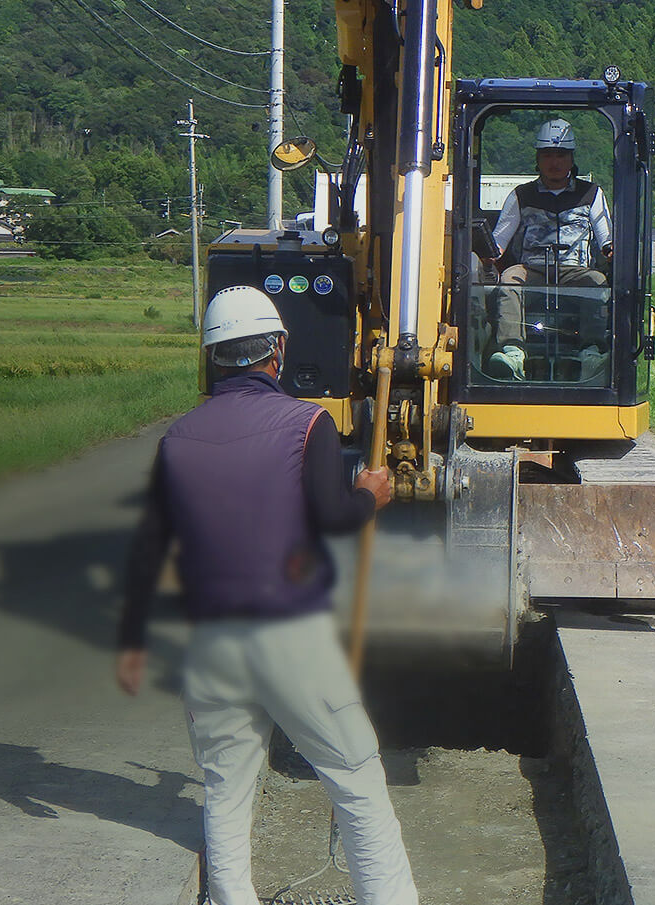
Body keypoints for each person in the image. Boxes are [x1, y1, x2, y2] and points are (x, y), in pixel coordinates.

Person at [115, 285, 418, 905]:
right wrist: (371, 496)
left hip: (211, 645)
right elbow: (333, 518)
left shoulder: (177, 438)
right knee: (356, 777)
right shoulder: (308, 423)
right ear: (278, 349)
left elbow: (148, 547)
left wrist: (131, 638)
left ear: (213, 357)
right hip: (288, 637)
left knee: (226, 789)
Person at [485, 117, 614, 381]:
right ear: (538, 158)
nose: (554, 162)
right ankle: (513, 352)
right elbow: (498, 241)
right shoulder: (522, 195)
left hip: (574, 271)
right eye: (547, 155)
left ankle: (591, 353)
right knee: (509, 279)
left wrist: (612, 250)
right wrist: (485, 254)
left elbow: (606, 240)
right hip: (532, 269)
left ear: (571, 158)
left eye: (561, 155)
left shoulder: (591, 194)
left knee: (597, 282)